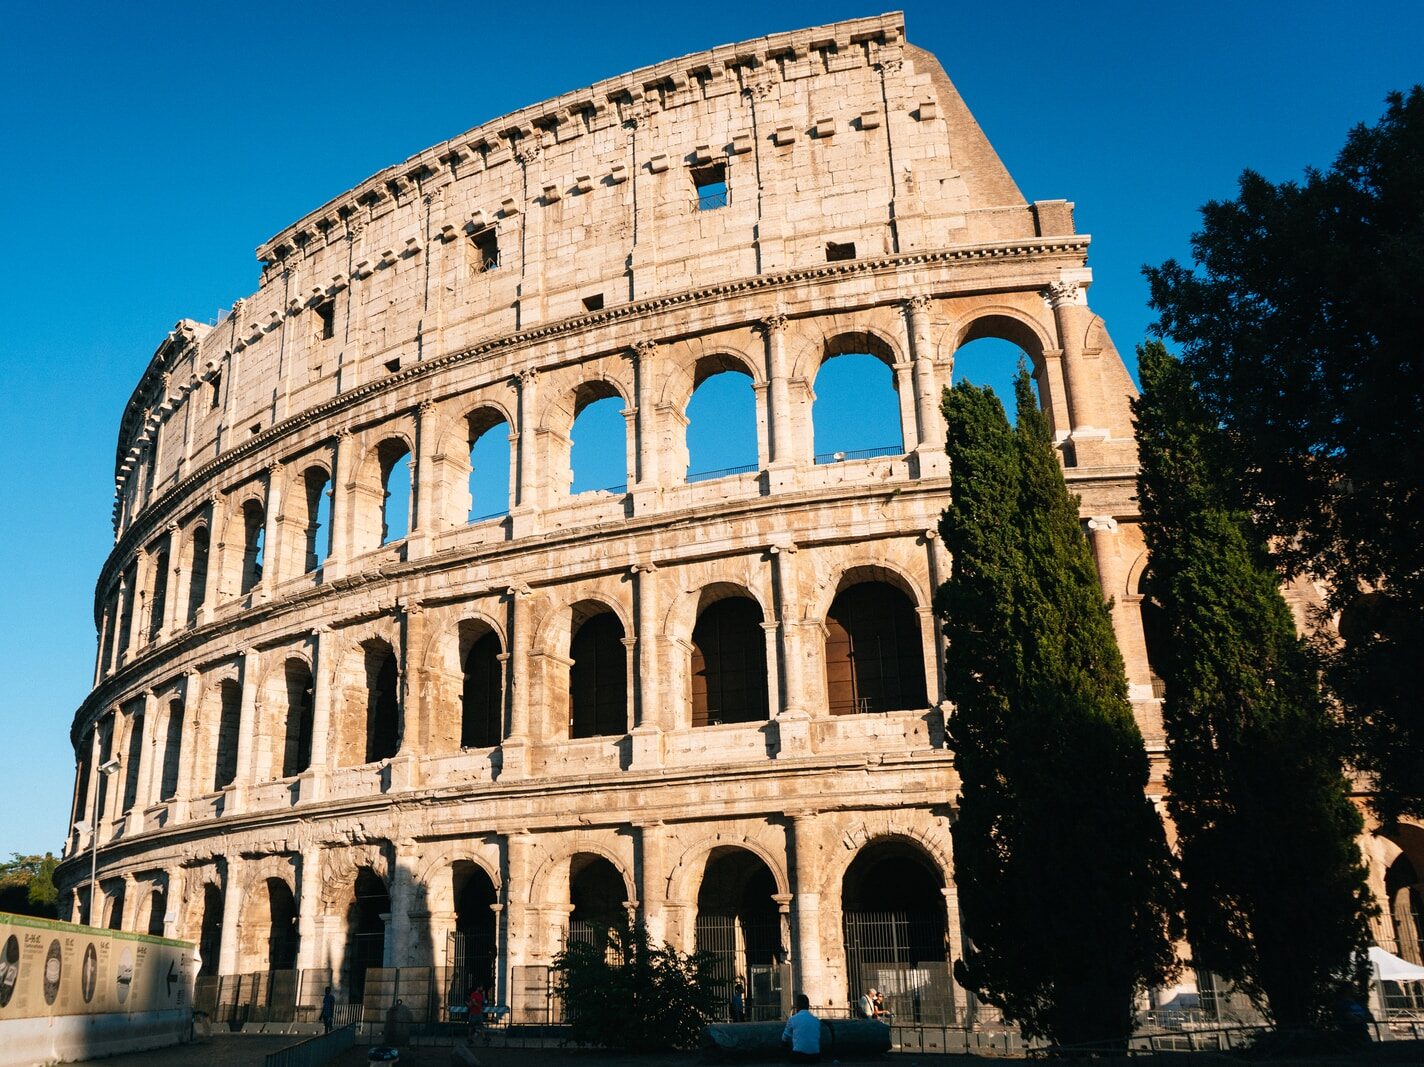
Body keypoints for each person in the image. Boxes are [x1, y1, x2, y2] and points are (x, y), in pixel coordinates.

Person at [781, 993, 821, 1063]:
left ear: (797, 1006)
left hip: (799, 1056)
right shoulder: (816, 1021)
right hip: (815, 1056)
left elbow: (784, 1038)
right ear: (808, 1006)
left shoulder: (792, 1019)